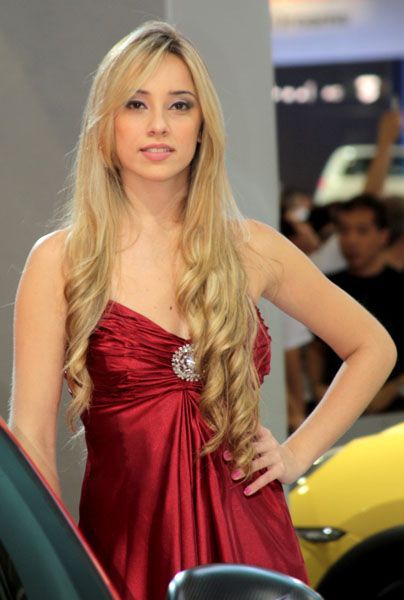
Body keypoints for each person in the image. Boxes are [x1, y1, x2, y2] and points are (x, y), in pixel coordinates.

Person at [7, 20, 397, 600]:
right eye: (136, 103)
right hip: (127, 546)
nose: (158, 124)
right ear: (105, 124)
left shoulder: (252, 247)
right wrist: (55, 577)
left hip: (251, 541)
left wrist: (295, 454)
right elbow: (32, 439)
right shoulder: (61, 261)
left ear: (202, 126)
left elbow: (373, 347)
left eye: (179, 104)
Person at [312, 194, 404, 413]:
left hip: (394, 407)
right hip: (335, 406)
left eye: (362, 231)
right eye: (344, 231)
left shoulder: (400, 287)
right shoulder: (326, 287)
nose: (351, 240)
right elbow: (316, 346)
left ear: (383, 235)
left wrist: (393, 389)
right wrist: (318, 388)